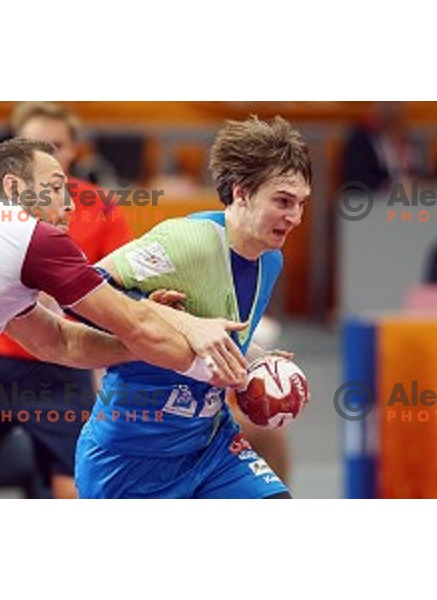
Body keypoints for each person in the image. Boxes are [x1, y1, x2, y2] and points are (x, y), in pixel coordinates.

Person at [0, 137, 251, 499]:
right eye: (57, 187)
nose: (71, 202)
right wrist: (212, 349)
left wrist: (140, 339)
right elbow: (135, 323)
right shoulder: (26, 236)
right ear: (13, 188)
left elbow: (60, 342)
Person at [75, 115, 312, 499]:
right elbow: (82, 291)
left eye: (301, 203)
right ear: (241, 193)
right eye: (283, 202)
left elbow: (213, 329)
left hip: (210, 446)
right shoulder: (187, 240)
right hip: (130, 454)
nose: (296, 217)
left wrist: (256, 359)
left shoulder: (271, 258)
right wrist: (162, 315)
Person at [0, 102, 133, 499]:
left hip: (62, 372)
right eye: (34, 143)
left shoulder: (100, 207)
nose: (48, 152)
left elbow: (121, 289)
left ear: (73, 150)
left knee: (78, 491)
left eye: (56, 144)